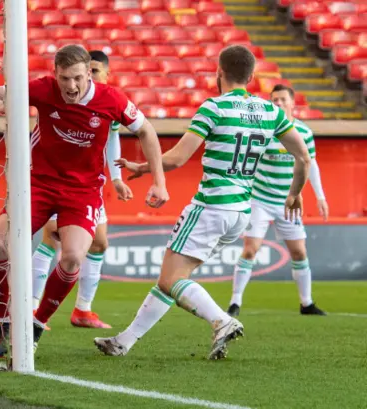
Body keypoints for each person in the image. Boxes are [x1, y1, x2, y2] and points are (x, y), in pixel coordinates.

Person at [94, 45, 311, 360]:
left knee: (172, 279)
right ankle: (123, 341)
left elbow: (180, 157)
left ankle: (221, 321)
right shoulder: (272, 112)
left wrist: (144, 168)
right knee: (172, 278)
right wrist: (294, 192)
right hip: (241, 212)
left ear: (219, 71)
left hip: (211, 205)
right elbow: (302, 157)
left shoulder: (214, 108)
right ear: (251, 76)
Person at [0, 45, 168, 357]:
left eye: (78, 77)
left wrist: (159, 181)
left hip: (82, 192)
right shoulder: (41, 89)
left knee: (73, 258)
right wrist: (13, 106)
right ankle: (4, 323)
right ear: (55, 74)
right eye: (65, 78)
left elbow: (145, 130)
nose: (71, 86)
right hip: (36, 183)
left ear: (89, 73)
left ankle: (35, 326)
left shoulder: (111, 98)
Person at [31, 50, 133, 329]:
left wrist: (117, 178)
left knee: (99, 243)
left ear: (102, 75)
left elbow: (111, 140)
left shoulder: (107, 101)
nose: (76, 84)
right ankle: (31, 305)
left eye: (98, 72)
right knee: (53, 237)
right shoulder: (66, 98)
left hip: (89, 183)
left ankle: (83, 309)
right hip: (57, 178)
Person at [227, 84, 328, 317]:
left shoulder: (304, 133)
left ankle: (306, 303)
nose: (279, 103)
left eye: (283, 99)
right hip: (259, 200)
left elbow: (310, 164)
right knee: (250, 250)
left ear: (293, 103)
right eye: (274, 100)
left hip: (289, 202)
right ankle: (235, 302)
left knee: (299, 253)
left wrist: (320, 196)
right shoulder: (263, 130)